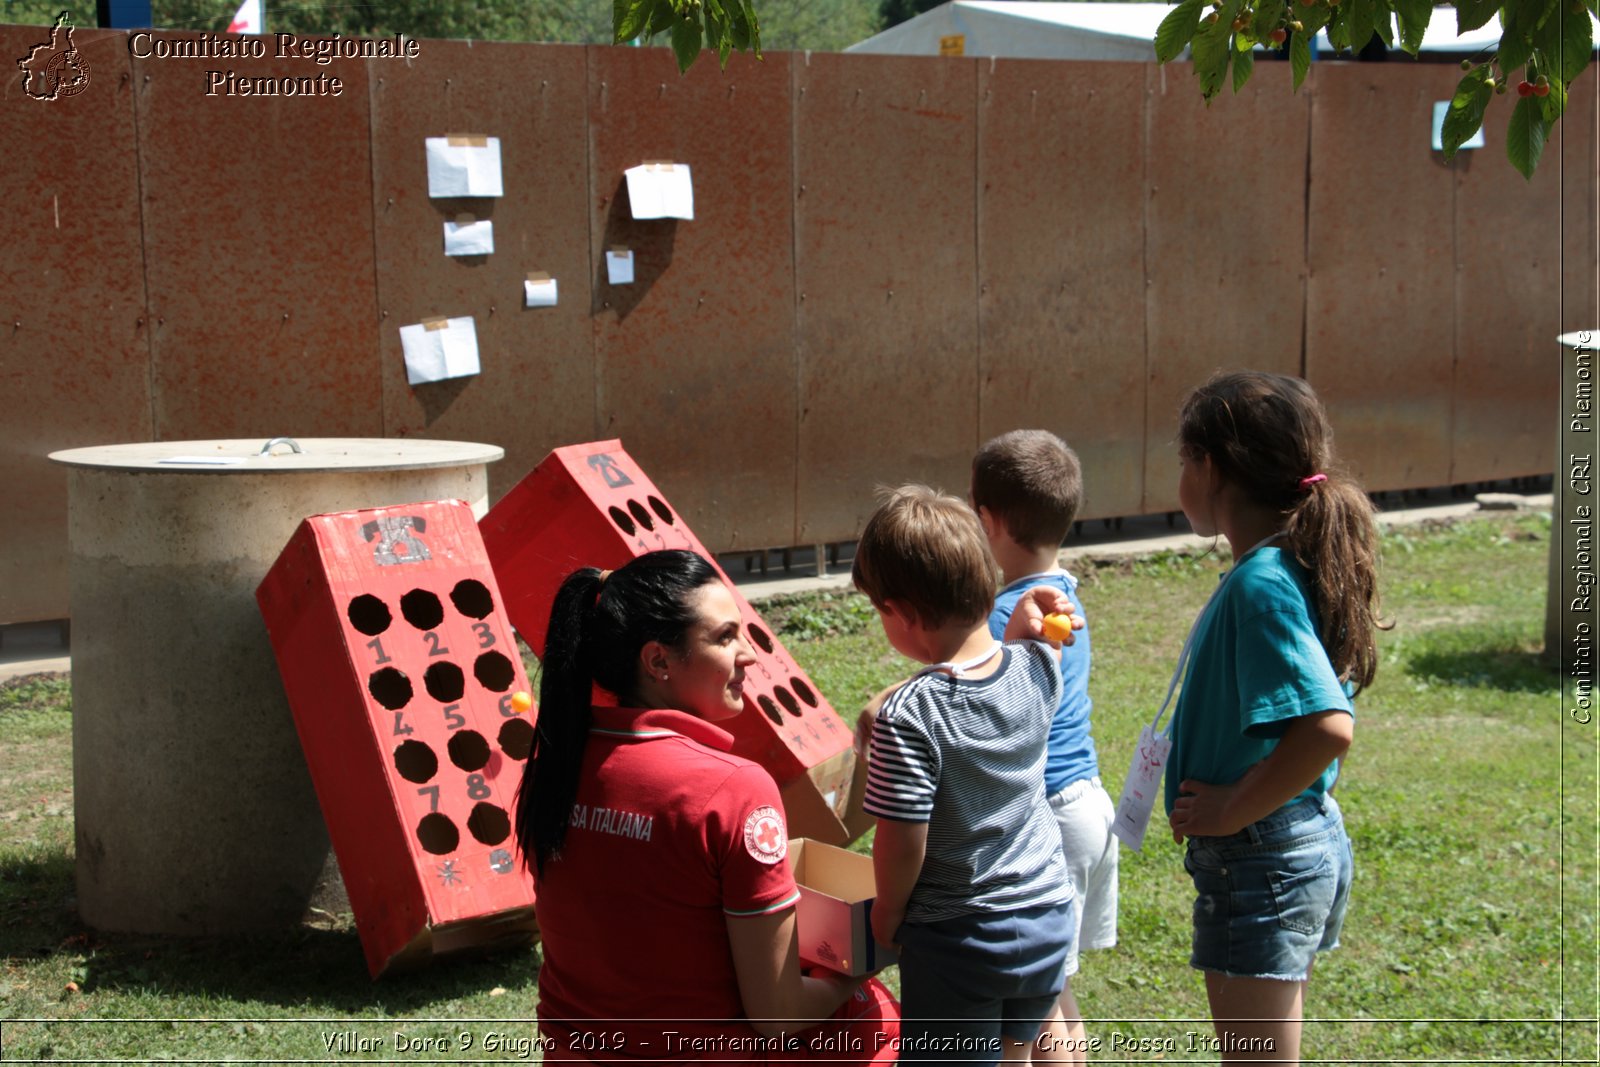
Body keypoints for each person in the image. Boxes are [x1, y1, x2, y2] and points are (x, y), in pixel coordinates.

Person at [513, 549, 899, 1064]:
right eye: (724, 637)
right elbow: (778, 1014)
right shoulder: (733, 789)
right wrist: (860, 964)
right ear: (657, 661)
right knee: (882, 1019)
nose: (750, 655)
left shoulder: (553, 767)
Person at [1164, 371, 1383, 1063]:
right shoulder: (1274, 565)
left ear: (1214, 467)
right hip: (1278, 853)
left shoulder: (1262, 582)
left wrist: (1231, 808)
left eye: (1183, 460)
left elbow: (1326, 725)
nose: (1180, 476)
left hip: (1261, 859)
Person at [853, 485, 1082, 1066]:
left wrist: (887, 911)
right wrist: (1034, 617)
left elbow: (903, 840)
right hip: (1049, 916)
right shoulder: (1038, 666)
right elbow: (1021, 656)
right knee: (1015, 1057)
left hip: (962, 938)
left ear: (901, 613)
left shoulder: (908, 715)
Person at [970, 431, 1115, 1065]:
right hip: (1085, 805)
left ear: (986, 520)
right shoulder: (1065, 597)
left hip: (1046, 818)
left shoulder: (1007, 616)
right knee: (1054, 991)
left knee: (1035, 1005)